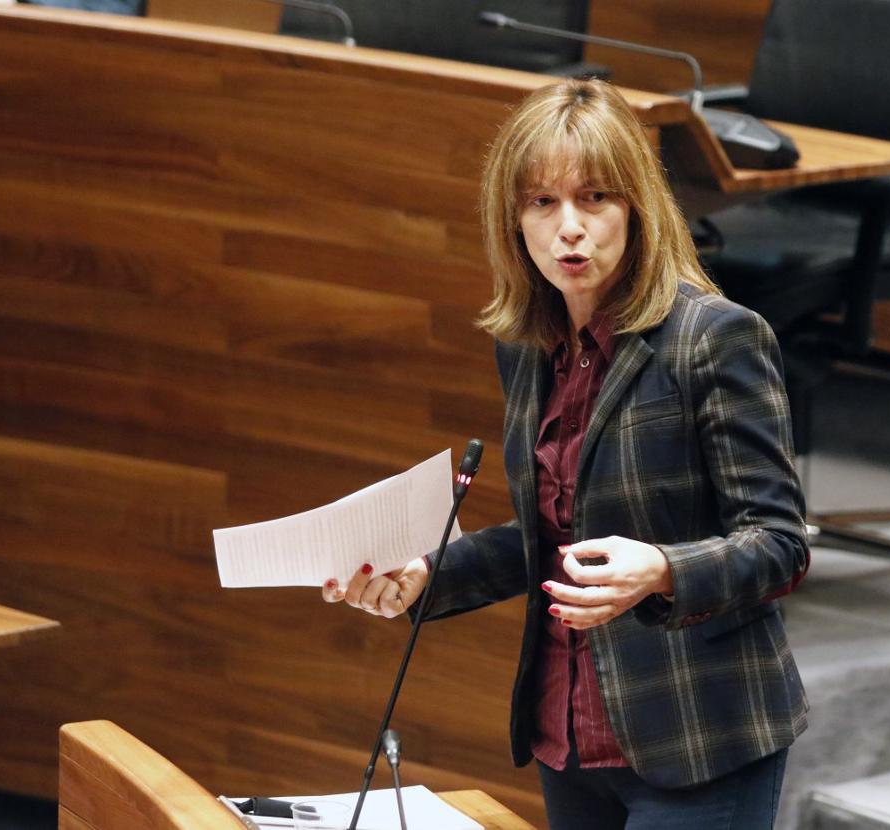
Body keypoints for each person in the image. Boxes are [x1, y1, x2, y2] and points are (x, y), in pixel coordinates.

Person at [323, 78, 810, 829]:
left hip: (697, 734)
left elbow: (779, 545)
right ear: (513, 221)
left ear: (636, 209)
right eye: (542, 204)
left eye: (594, 200)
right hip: (568, 734)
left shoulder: (715, 338)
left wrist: (662, 570)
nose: (569, 230)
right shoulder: (530, 348)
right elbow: (548, 535)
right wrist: (425, 576)